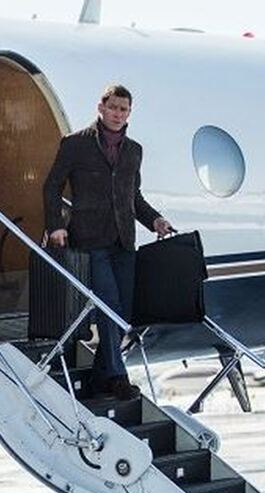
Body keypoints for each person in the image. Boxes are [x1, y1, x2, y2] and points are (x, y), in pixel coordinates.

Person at [42, 84, 173, 400]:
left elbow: (133, 197)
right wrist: (56, 226)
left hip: (123, 240)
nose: (117, 114)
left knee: (124, 312)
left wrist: (155, 220)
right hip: (90, 239)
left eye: (123, 109)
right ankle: (117, 376)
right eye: (113, 107)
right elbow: (52, 186)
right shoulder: (75, 144)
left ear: (129, 113)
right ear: (101, 108)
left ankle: (100, 378)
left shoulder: (134, 150)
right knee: (108, 307)